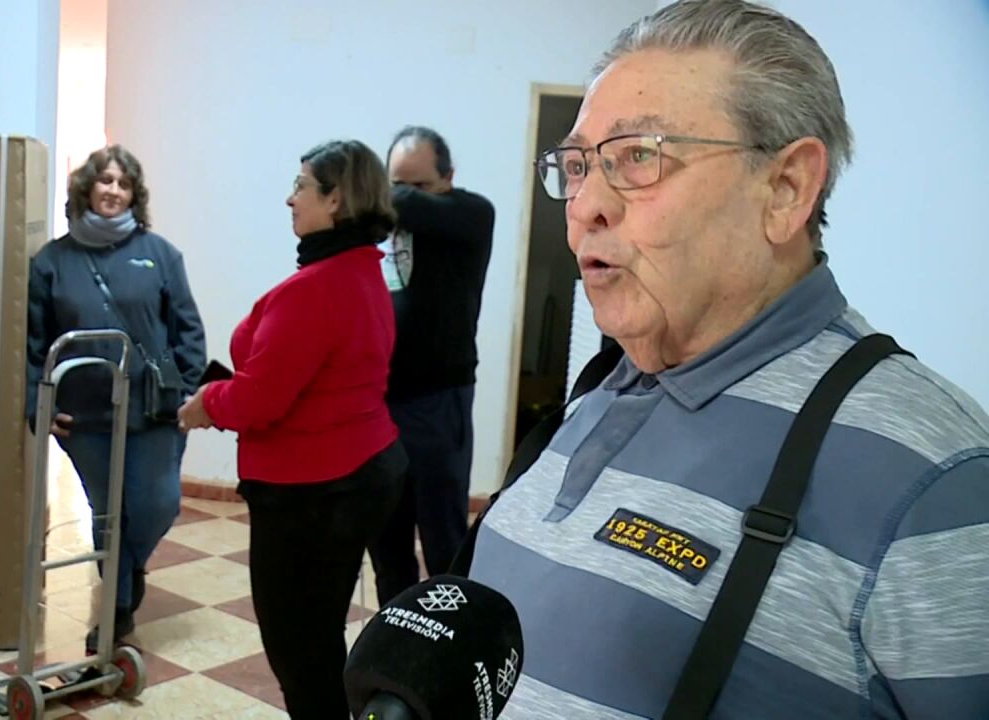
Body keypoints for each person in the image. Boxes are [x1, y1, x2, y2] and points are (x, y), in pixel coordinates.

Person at [467, 1, 989, 718]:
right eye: (579, 164)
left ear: (786, 189)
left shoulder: (935, 482)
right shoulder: (603, 386)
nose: (585, 203)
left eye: (637, 157)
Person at [178, 140, 407, 719]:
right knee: (320, 637)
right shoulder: (362, 272)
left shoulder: (316, 288)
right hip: (363, 470)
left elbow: (259, 401)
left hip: (314, 493)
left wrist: (207, 401)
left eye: (302, 185)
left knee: (300, 652)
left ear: (336, 199)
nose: (290, 197)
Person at [26, 144, 206, 653]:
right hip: (84, 418)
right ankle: (119, 610)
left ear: (134, 195)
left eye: (123, 184)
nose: (113, 190)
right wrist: (34, 404)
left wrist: (186, 392)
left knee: (156, 505)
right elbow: (32, 345)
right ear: (86, 187)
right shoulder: (51, 261)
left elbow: (188, 331)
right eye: (104, 181)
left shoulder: (162, 254)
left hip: (153, 411)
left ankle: (126, 575)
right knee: (107, 514)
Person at [368, 126, 494, 606]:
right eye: (395, 182)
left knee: (444, 544)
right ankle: (393, 649)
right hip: (379, 404)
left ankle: (448, 656)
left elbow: (413, 207)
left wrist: (381, 194)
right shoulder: (382, 221)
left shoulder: (471, 214)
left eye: (417, 184)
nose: (403, 195)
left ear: (448, 178)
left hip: (439, 401)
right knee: (387, 545)